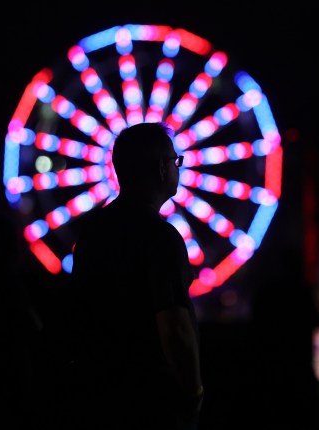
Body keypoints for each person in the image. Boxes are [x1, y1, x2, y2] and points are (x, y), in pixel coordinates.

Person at [69, 121, 203, 430]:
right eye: (175, 160)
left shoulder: (92, 232)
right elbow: (175, 326)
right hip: (153, 398)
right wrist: (193, 389)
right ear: (160, 169)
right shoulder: (162, 238)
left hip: (99, 392)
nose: (178, 168)